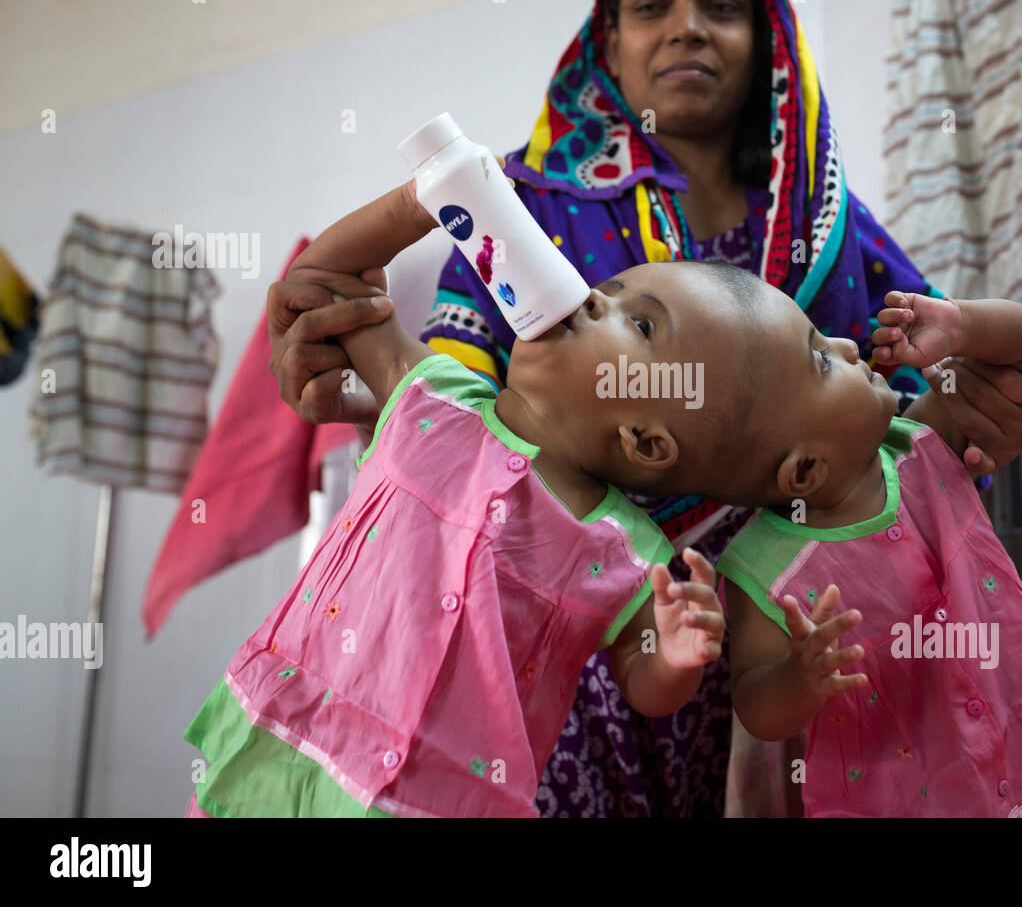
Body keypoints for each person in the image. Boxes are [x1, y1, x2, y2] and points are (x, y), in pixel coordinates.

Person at [266, 0, 1022, 817]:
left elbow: (928, 405)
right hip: (558, 647)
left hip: (780, 660)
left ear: (767, 35)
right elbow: (465, 418)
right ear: (609, 34)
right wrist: (352, 373)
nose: (688, 26)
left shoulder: (828, 222)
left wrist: (986, 414)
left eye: (722, 4)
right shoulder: (529, 207)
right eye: (651, 6)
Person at [185, 206, 779, 815]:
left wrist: (676, 657)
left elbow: (643, 678)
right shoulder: (433, 393)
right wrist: (419, 202)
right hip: (287, 746)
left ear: (645, 440)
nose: (591, 300)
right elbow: (324, 276)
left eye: (643, 325)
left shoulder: (624, 548)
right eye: (609, 290)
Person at [715, 286, 1022, 816]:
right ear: (804, 469)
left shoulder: (923, 440)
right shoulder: (759, 569)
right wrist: (798, 677)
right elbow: (756, 708)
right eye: (820, 359)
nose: (846, 346)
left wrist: (962, 326)